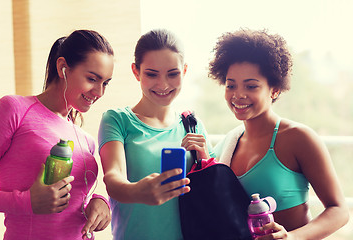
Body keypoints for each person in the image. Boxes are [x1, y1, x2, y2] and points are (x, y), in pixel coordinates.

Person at [209, 29, 349, 239]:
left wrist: (292, 237)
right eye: (231, 85)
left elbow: (339, 210)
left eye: (251, 86)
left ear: (274, 89)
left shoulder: (298, 138)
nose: (238, 94)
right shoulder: (227, 144)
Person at [0, 29, 114, 240]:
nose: (99, 92)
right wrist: (26, 202)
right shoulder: (15, 110)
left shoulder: (86, 140)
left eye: (105, 83)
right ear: (63, 68)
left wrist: (99, 202)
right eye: (92, 79)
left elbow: (74, 201)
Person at [98, 29, 215, 240]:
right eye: (152, 74)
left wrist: (205, 158)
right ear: (136, 72)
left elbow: (212, 196)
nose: (163, 85)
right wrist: (137, 191)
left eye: (173, 73)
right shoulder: (117, 120)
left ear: (185, 71)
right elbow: (113, 178)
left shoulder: (193, 126)